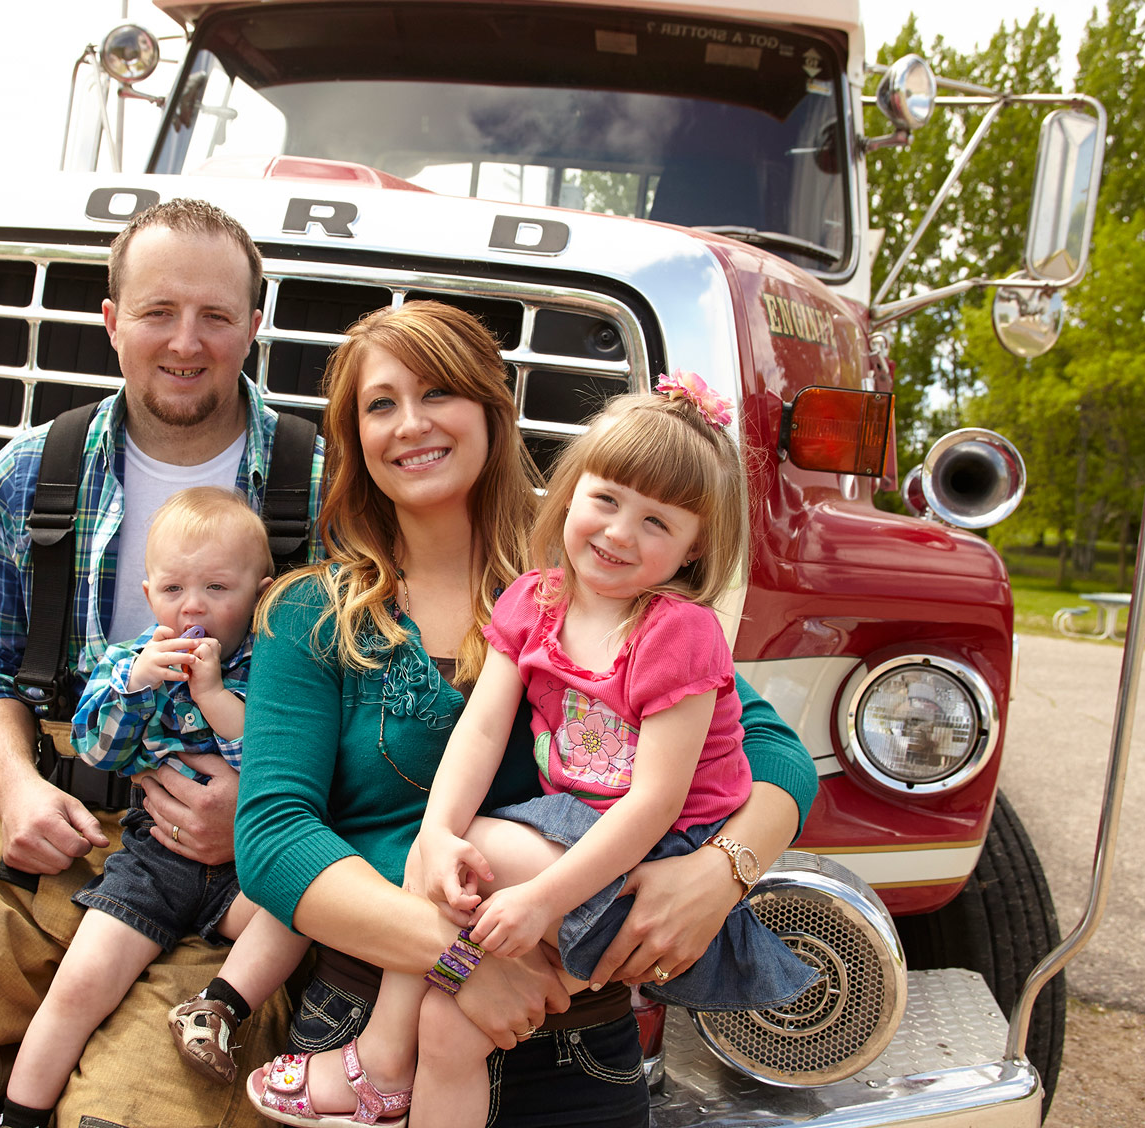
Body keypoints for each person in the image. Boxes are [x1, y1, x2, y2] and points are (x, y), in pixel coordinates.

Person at [0, 198, 324, 1128]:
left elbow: (367, 710)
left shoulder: (317, 487)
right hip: (44, 848)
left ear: (256, 321)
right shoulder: (37, 470)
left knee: (128, 1119)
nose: (187, 343)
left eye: (216, 316)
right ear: (113, 320)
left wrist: (263, 812)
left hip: (226, 886)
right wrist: (20, 789)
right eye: (158, 313)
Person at [235, 301, 819, 1127]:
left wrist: (716, 874)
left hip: (578, 1034)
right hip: (369, 1015)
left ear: (490, 409)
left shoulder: (591, 587)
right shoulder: (311, 613)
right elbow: (272, 838)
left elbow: (767, 749)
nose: (411, 424)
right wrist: (459, 959)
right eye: (379, 404)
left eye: (439, 392)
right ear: (352, 437)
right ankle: (380, 1072)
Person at [0, 489, 309, 1127]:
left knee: (302, 909)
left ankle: (216, 1006)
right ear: (148, 595)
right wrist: (136, 683)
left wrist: (216, 694)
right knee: (80, 985)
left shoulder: (276, 664)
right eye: (173, 589)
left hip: (248, 862)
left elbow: (270, 761)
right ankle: (19, 1113)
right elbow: (97, 749)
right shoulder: (130, 663)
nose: (193, 606)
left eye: (218, 587)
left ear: (261, 590)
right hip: (155, 852)